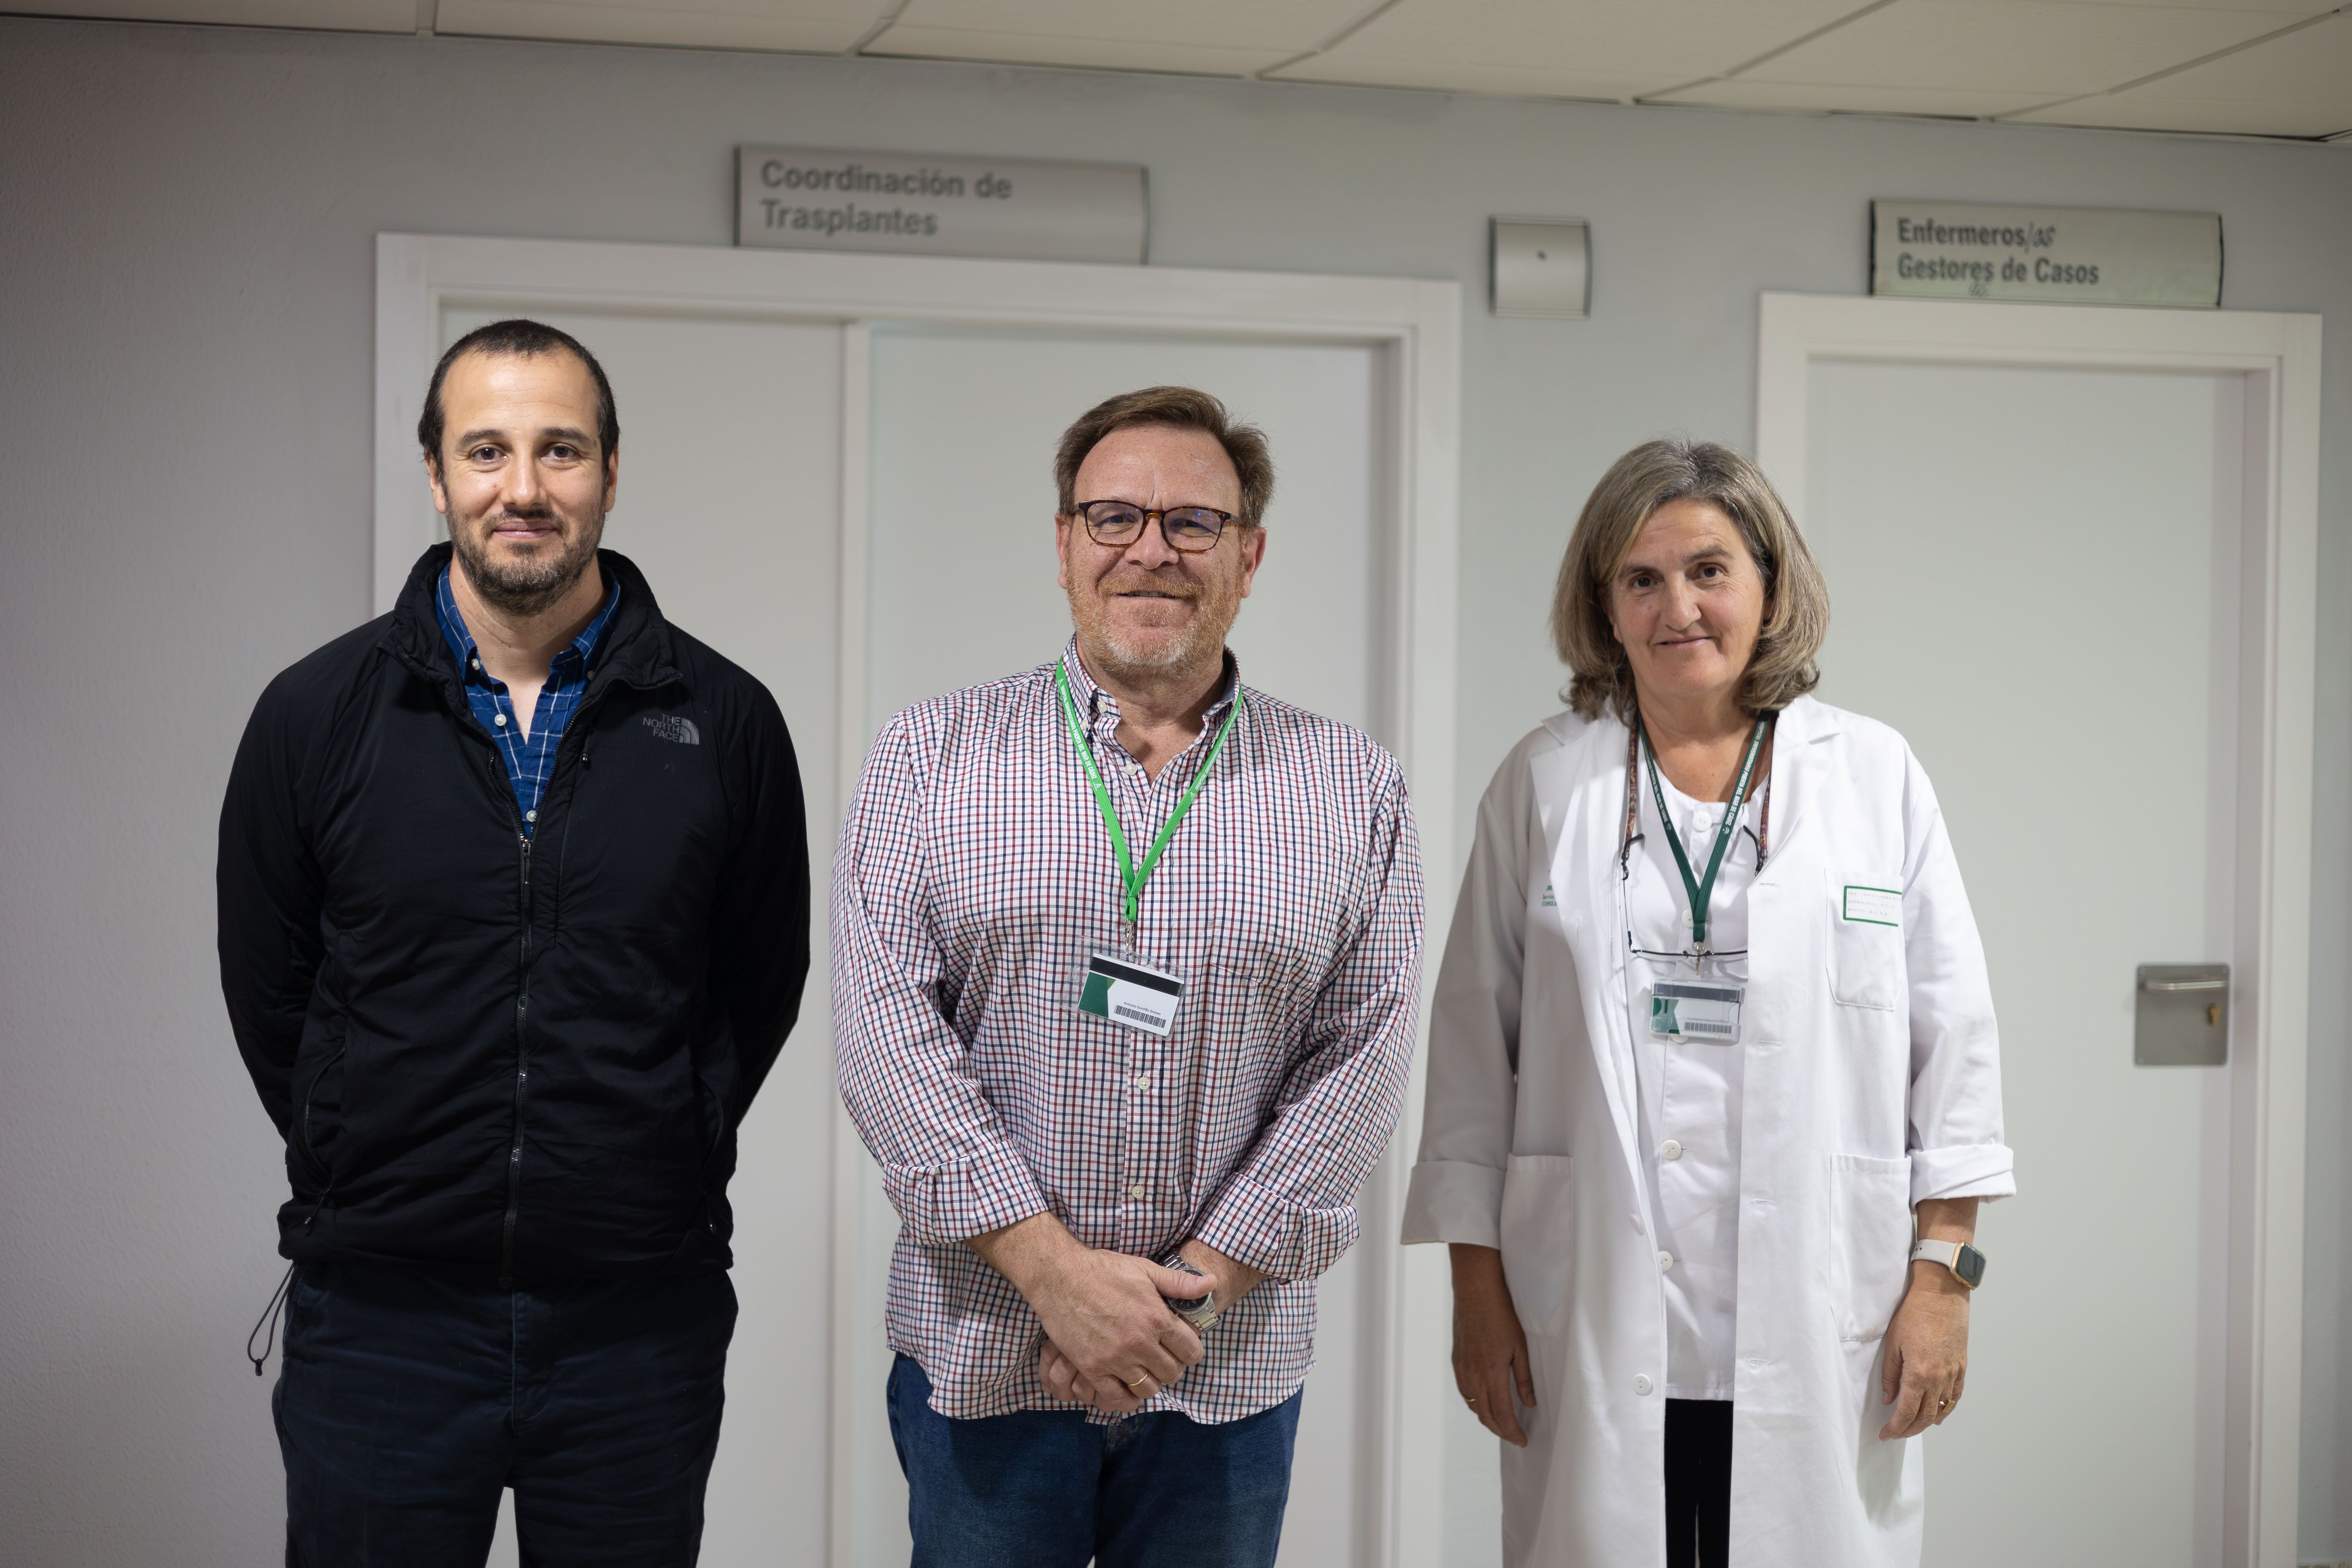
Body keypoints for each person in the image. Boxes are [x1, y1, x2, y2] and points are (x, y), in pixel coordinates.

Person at [217, 318, 809, 1566]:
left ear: (609, 472)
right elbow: (271, 994)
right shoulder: (314, 716)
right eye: (487, 450)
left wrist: (661, 1135)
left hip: (637, 1323)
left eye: (561, 451)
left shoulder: (725, 720)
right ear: (435, 475)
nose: (524, 489)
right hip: (380, 1316)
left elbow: (758, 986)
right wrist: (369, 1141)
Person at [833, 386, 1424, 1568]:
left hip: (1222, 1371)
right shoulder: (931, 755)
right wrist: (1058, 1282)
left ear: (1249, 556)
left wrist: (1179, 1302)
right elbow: (882, 1029)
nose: (1151, 548)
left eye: (1192, 523)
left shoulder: (1352, 786)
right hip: (985, 1354)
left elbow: (1365, 1055)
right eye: (1114, 516)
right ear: (1063, 545)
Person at [1403, 438, 2012, 1567]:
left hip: (1823, 1309)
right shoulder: (1545, 780)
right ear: (1606, 605)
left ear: (1769, 585)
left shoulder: (1873, 777)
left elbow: (1957, 1051)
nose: (1678, 606)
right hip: (1590, 1309)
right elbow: (1470, 1063)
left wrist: (1945, 1284)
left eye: (1709, 570)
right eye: (1641, 579)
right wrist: (1477, 1298)